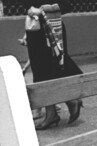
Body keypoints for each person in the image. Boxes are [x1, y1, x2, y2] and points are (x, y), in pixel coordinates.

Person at [22, 0, 83, 130]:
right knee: (40, 72)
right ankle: (53, 113)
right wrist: (30, 24)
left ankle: (70, 101)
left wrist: (41, 11)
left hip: (52, 30)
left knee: (56, 68)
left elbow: (67, 5)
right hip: (35, 28)